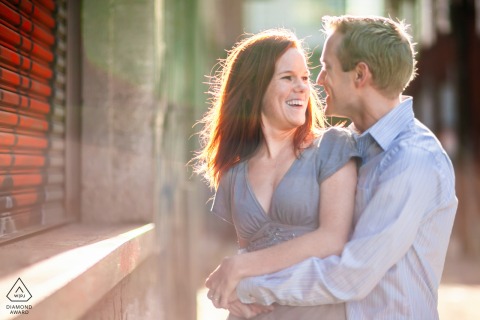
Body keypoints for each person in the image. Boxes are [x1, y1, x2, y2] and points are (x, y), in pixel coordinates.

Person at [222, 15, 458, 319]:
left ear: (360, 75)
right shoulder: (349, 146)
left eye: (327, 68)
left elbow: (351, 275)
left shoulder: (412, 159)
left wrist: (247, 284)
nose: (318, 81)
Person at [193, 28, 360, 319]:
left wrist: (238, 268)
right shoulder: (234, 172)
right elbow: (248, 256)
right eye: (287, 77)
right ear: (255, 88)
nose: (302, 88)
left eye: (305, 78)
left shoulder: (332, 146)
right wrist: (229, 292)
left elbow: (333, 238)